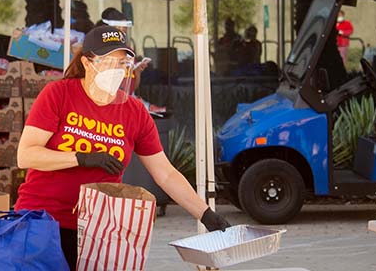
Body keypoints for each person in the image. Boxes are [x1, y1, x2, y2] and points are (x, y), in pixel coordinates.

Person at [15, 25, 230, 270]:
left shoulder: (135, 112)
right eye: (108, 61)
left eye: (122, 63)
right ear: (87, 62)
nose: (116, 70)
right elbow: (26, 154)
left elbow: (165, 173)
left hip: (99, 228)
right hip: (44, 222)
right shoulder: (58, 94)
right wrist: (81, 157)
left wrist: (205, 214)